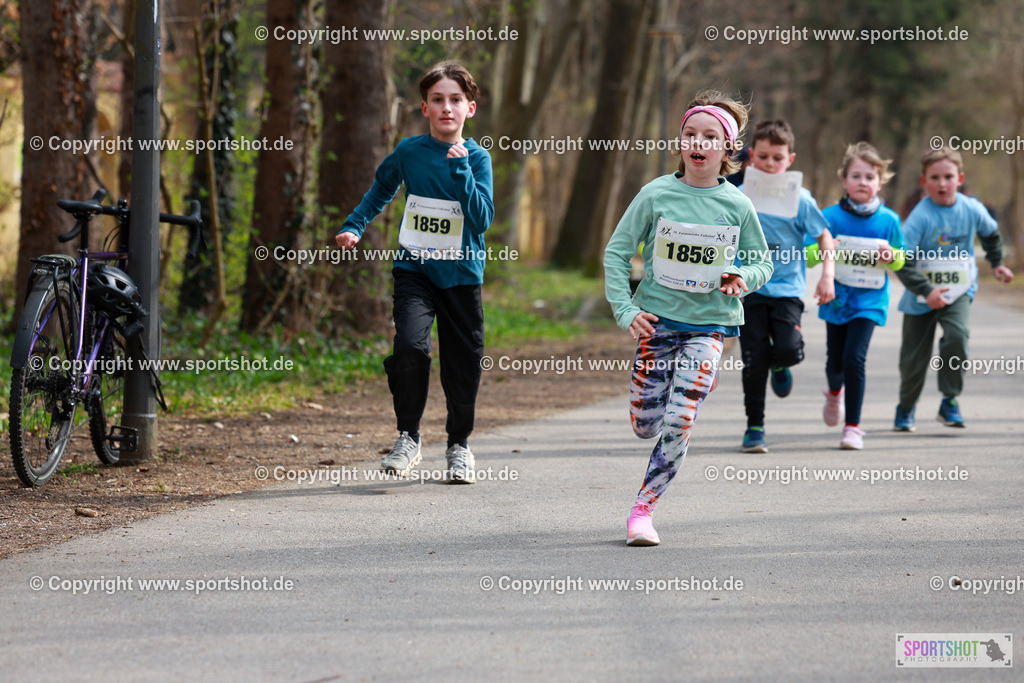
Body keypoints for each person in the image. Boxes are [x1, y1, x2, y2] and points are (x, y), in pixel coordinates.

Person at [604, 90, 773, 546]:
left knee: (680, 420)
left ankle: (642, 511)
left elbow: (763, 262)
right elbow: (617, 253)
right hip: (657, 324)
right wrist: (625, 309)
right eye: (690, 134)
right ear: (681, 142)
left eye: (710, 136)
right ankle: (688, 383)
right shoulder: (656, 194)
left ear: (727, 147)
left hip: (710, 326)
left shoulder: (737, 205)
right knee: (645, 425)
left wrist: (742, 276)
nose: (699, 143)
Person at [335, 62, 493, 484]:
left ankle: (459, 445)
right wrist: (355, 225)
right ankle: (408, 436)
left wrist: (461, 170)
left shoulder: (478, 158)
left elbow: (481, 220)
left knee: (462, 364)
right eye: (437, 100)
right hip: (414, 270)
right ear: (425, 108)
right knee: (409, 347)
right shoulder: (409, 151)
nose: (446, 108)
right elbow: (382, 188)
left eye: (455, 100)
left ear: (470, 108)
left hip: (461, 275)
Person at [893, 147, 1014, 431]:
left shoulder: (971, 208)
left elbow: (991, 233)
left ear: (959, 179)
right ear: (924, 181)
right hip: (921, 295)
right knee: (913, 358)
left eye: (948, 177)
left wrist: (997, 263)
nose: (942, 183)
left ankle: (949, 400)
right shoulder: (920, 217)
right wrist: (927, 291)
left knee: (957, 337)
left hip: (958, 289)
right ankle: (906, 406)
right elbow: (901, 261)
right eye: (935, 177)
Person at [737, 120, 835, 453]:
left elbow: (824, 237)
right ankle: (755, 427)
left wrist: (827, 275)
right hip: (749, 289)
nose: (769, 164)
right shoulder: (739, 196)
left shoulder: (801, 199)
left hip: (787, 291)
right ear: (752, 156)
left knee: (788, 350)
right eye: (763, 157)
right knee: (753, 360)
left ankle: (781, 364)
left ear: (790, 160)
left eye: (777, 158)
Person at [818, 142, 905, 450]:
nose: (863, 182)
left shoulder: (889, 220)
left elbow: (901, 259)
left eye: (870, 177)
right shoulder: (829, 217)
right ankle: (834, 393)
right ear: (845, 180)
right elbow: (807, 254)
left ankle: (853, 427)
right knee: (834, 363)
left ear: (880, 183)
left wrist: (892, 254)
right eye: (856, 176)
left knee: (855, 359)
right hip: (836, 299)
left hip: (870, 301)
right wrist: (826, 248)